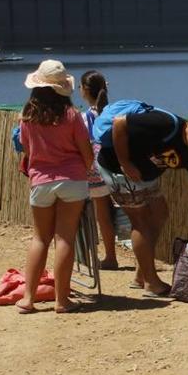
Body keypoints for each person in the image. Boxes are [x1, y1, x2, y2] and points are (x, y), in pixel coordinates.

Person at [96, 104, 188, 297]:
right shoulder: (165, 124)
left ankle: (141, 274)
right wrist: (125, 163)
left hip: (146, 175)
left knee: (160, 213)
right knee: (140, 222)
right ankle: (151, 283)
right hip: (118, 167)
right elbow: (119, 124)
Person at [15, 60, 93, 314]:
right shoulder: (71, 115)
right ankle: (62, 299)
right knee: (64, 238)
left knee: (40, 238)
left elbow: (27, 150)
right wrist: (86, 167)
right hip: (72, 179)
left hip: (41, 180)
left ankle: (28, 298)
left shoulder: (27, 117)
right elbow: (86, 151)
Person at [79, 70, 119, 270]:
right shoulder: (112, 111)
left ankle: (104, 256)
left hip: (94, 170)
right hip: (114, 167)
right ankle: (112, 255)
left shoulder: (84, 118)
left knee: (100, 214)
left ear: (85, 90)